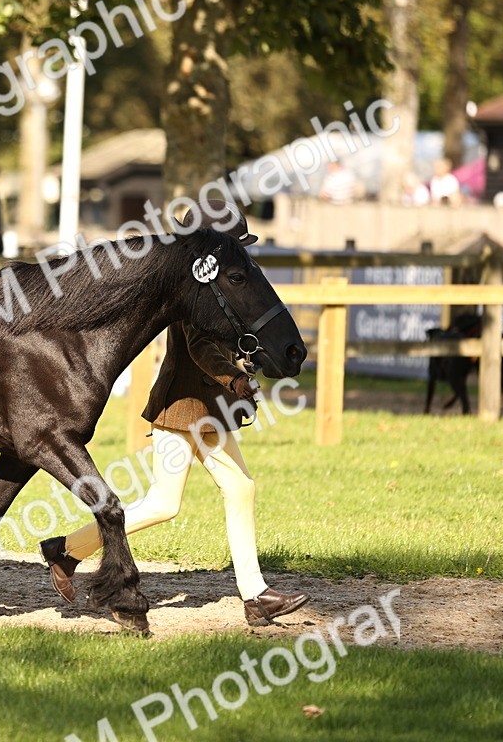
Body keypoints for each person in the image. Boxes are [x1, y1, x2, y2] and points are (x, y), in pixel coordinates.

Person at [39, 206, 310, 629]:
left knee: (229, 489)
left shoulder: (213, 287)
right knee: (170, 502)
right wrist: (234, 379)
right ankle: (67, 549)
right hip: (182, 409)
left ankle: (255, 595)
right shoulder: (197, 292)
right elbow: (201, 349)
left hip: (205, 409)